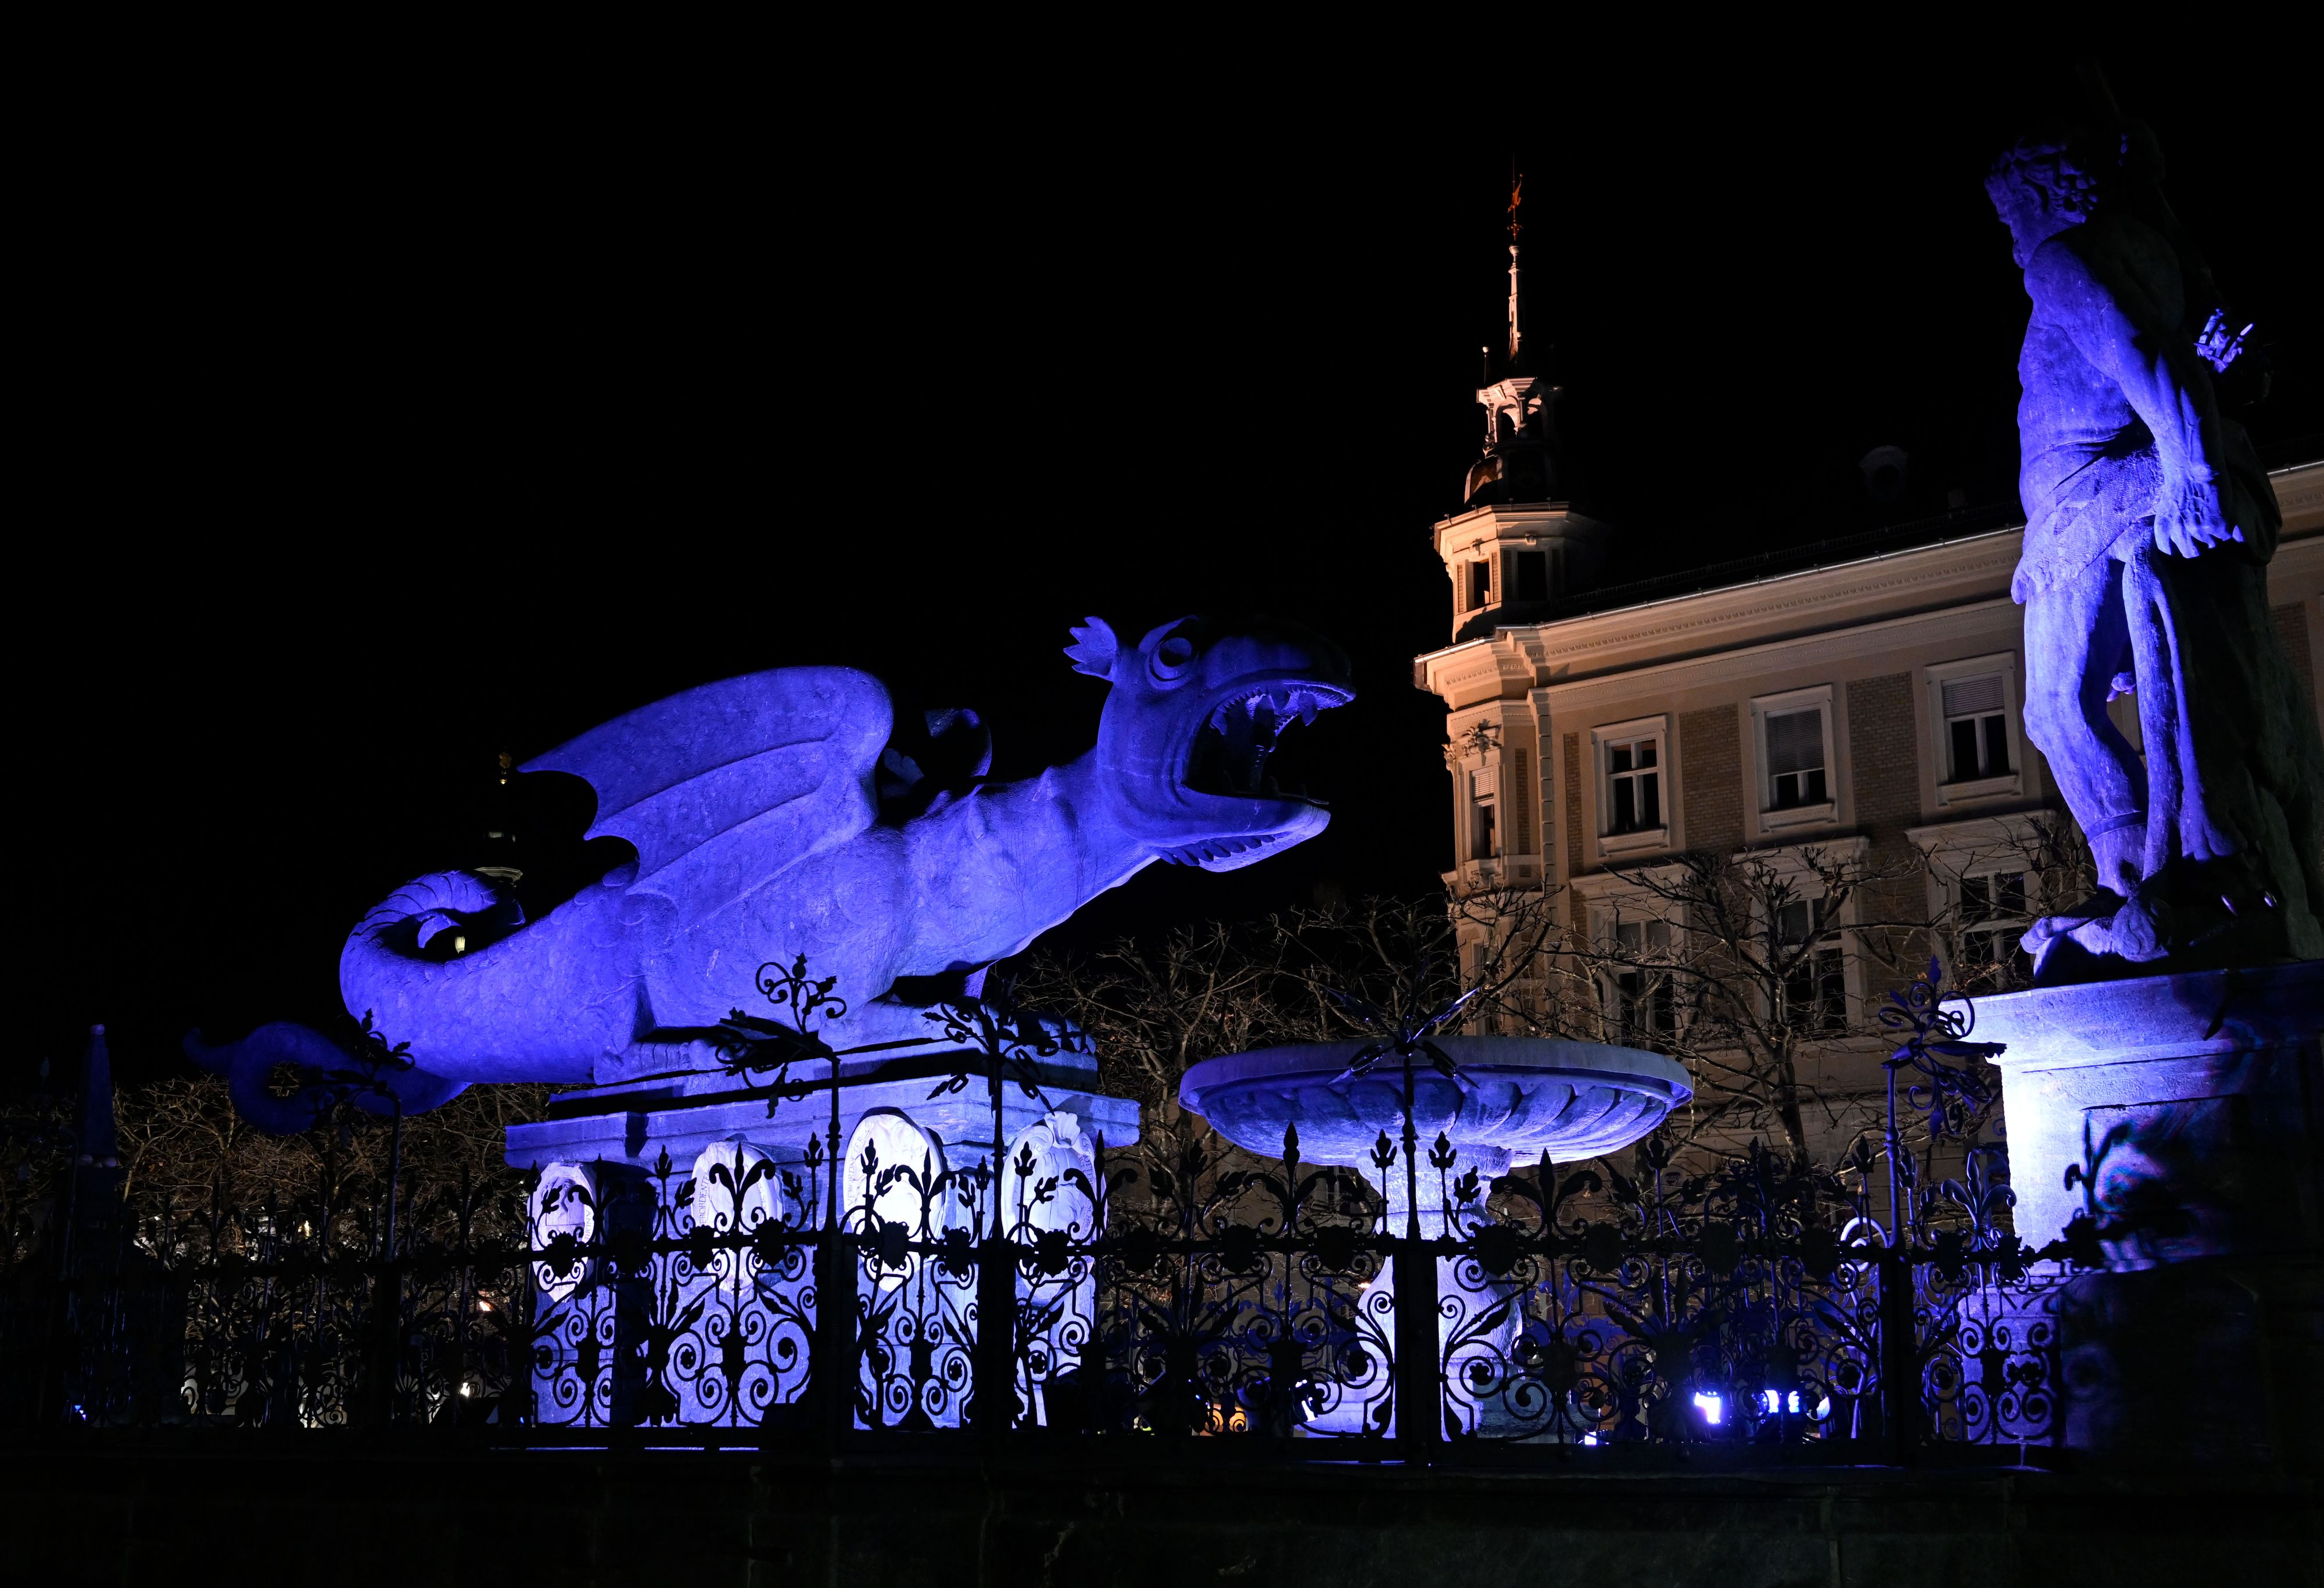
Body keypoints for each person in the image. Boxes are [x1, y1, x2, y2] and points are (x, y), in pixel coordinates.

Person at [1988, 127, 2322, 976]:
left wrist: (2196, 474)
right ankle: (2143, 870)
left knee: (2058, 707)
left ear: (2044, 198)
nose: (2012, 232)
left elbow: (2147, 361)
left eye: (2013, 211)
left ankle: (2130, 873)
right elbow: (2192, 357)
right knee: (2080, 698)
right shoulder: (2149, 252)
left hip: (2090, 503)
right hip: (2116, 491)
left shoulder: (2064, 261)